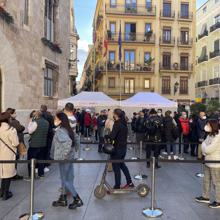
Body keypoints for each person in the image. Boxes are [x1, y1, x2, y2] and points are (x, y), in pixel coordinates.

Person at [51, 112, 83, 210]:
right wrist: (74, 151)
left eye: (56, 118)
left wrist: (64, 154)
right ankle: (63, 198)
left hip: (64, 159)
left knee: (65, 180)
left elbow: (68, 142)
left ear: (60, 120)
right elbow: (76, 139)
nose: (54, 120)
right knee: (67, 178)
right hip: (69, 157)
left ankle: (77, 199)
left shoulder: (60, 131)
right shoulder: (69, 129)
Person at [195, 119, 220, 209]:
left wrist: (204, 148)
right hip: (208, 161)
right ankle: (205, 197)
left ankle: (218, 201)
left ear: (213, 126)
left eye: (208, 125)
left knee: (217, 183)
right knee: (206, 180)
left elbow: (207, 149)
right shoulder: (210, 135)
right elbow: (203, 145)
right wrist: (204, 148)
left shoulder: (218, 136)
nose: (207, 126)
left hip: (215, 163)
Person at [107, 109, 134, 189]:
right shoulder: (124, 123)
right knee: (122, 165)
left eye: (113, 114)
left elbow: (112, 136)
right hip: (123, 148)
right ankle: (130, 182)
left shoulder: (117, 124)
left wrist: (106, 136)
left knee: (116, 168)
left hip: (117, 149)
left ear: (116, 115)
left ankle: (117, 185)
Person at [0, 112, 19, 200]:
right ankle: (5, 193)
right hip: (8, 154)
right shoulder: (11, 130)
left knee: (2, 173)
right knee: (8, 174)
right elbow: (15, 143)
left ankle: (1, 191)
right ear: (8, 119)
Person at [27, 111, 49, 179]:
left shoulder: (35, 122)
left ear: (36, 116)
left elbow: (30, 131)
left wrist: (30, 122)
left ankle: (31, 176)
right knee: (41, 160)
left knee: (31, 161)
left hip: (34, 145)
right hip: (43, 144)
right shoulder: (46, 122)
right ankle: (41, 174)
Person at [6, 108, 25, 180]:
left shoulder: (9, 121)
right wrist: (22, 127)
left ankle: (12, 174)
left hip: (10, 143)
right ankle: (13, 175)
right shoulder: (13, 121)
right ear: (11, 114)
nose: (16, 114)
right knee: (15, 158)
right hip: (16, 142)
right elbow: (20, 128)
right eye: (14, 113)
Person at [40, 105, 54, 172]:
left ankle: (43, 162)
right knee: (48, 148)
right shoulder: (50, 116)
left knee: (43, 149)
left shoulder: (40, 115)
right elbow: (53, 125)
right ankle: (47, 161)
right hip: (49, 134)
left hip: (42, 134)